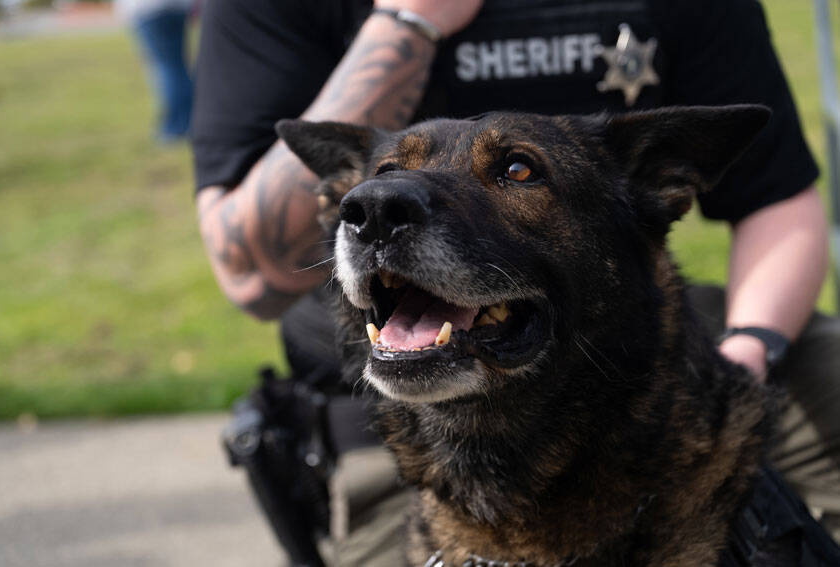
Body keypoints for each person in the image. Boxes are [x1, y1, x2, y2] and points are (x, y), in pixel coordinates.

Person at [191, 0, 840, 563]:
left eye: (517, 171)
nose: (377, 202)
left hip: (664, 367)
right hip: (380, 426)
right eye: (370, 191)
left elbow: (778, 204)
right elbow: (251, 277)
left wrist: (753, 344)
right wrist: (409, 22)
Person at [117, 0, 196, 142]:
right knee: (178, 67)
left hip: (149, 10)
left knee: (167, 68)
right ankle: (189, 122)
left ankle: (175, 127)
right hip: (178, 8)